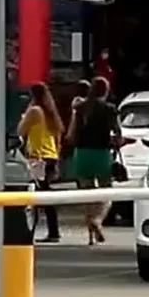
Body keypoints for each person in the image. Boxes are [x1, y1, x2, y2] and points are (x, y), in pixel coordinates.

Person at [66, 76, 120, 245]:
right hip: (102, 153)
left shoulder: (80, 108)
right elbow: (118, 133)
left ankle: (90, 235)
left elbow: (71, 134)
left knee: (87, 194)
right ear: (106, 91)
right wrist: (116, 142)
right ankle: (97, 219)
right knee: (107, 193)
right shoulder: (110, 109)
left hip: (82, 153)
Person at [19, 83, 63, 243]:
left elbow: (20, 131)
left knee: (36, 196)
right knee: (45, 195)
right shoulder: (50, 112)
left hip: (38, 158)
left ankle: (36, 232)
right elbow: (58, 138)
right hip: (50, 156)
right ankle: (53, 230)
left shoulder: (34, 111)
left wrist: (23, 118)